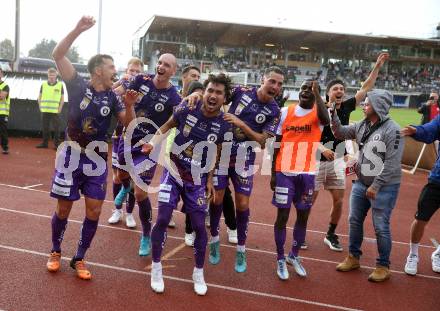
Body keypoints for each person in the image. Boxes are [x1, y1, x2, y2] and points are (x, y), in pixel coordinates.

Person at [46, 16, 136, 280]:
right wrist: (77, 30)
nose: (115, 71)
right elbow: (57, 54)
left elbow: (128, 125)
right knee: (63, 209)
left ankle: (80, 257)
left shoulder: (114, 97)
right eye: (111, 67)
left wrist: (129, 105)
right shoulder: (76, 84)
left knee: (94, 210)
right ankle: (55, 251)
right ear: (98, 69)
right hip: (70, 156)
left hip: (97, 160)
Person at [145, 73, 232, 295]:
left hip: (197, 181)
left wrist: (211, 179)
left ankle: (198, 272)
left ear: (224, 98)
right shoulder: (188, 108)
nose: (213, 95)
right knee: (163, 217)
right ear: (204, 91)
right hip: (173, 172)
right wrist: (152, 142)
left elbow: (215, 153)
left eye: (218, 93)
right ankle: (156, 268)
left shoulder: (224, 125)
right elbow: (166, 125)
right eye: (210, 90)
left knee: (199, 226)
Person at [197, 66, 283, 273]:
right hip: (221, 152)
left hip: (244, 158)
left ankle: (241, 248)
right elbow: (215, 95)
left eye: (279, 84)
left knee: (242, 203)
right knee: (217, 198)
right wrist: (195, 93)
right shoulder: (241, 92)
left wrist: (240, 124)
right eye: (272, 81)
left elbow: (263, 141)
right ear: (262, 79)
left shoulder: (274, 111)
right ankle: (215, 239)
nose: (275, 86)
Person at [311, 53, 389, 252]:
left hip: (337, 160)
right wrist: (321, 148)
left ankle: (330, 234)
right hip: (315, 161)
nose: (340, 91)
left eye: (342, 89)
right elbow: (307, 136)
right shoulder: (317, 109)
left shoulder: (346, 106)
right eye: (335, 88)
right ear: (327, 93)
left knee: (338, 201)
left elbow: (366, 88)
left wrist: (377, 66)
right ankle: (300, 232)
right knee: (309, 200)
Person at [331, 89, 404, 282]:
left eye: (367, 103)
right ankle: (353, 257)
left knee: (381, 226)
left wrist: (376, 185)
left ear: (378, 106)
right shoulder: (363, 124)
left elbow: (392, 163)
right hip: (361, 183)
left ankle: (383, 266)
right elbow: (340, 133)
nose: (364, 105)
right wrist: (334, 116)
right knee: (354, 220)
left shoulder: (393, 130)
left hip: (384, 186)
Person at [116, 53, 181, 257]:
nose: (161, 66)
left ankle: (146, 235)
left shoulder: (174, 97)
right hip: (128, 138)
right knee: (121, 177)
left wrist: (154, 142)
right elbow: (119, 99)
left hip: (150, 148)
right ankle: (125, 188)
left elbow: (172, 124)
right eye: (160, 62)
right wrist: (124, 96)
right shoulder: (140, 80)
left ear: (173, 71)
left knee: (141, 193)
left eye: (167, 65)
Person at [271, 80, 330, 280]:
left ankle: (293, 256)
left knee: (303, 216)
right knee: (282, 217)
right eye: (304, 88)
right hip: (284, 172)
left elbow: (326, 120)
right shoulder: (286, 112)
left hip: (307, 174)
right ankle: (280, 258)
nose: (306, 91)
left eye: (311, 89)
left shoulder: (319, 114)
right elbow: (277, 143)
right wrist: (272, 173)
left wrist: (318, 95)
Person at [108, 57, 144, 228]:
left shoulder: (145, 89)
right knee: (117, 177)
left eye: (137, 72)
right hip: (118, 135)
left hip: (135, 138)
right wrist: (121, 83)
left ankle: (129, 213)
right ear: (126, 71)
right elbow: (109, 93)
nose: (134, 74)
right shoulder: (122, 85)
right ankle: (117, 210)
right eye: (131, 71)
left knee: (131, 177)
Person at [401, 117, 440, 275]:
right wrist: (416, 131)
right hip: (438, 181)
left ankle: (438, 253)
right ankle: (413, 254)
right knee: (421, 218)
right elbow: (430, 130)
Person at [36, 68, 64, 149]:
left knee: (57, 128)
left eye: (53, 75)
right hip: (45, 110)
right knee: (45, 128)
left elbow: (62, 98)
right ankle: (45, 143)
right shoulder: (43, 85)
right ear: (48, 75)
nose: (51, 76)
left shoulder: (60, 85)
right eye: (50, 75)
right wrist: (40, 106)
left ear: (56, 75)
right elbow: (39, 97)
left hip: (55, 111)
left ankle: (57, 145)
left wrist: (60, 108)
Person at [0, 68, 10, 154]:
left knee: (3, 131)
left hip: (2, 113)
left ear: (2, 75)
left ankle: (5, 147)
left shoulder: (5, 86)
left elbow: (2, 97)